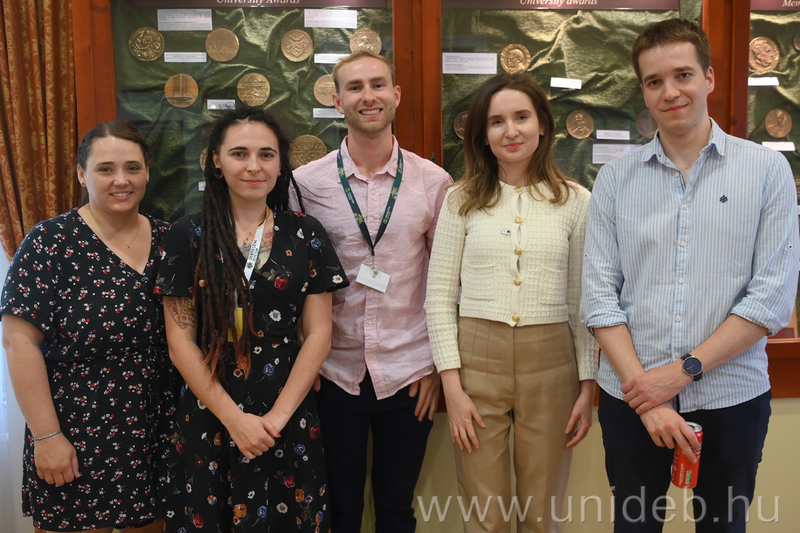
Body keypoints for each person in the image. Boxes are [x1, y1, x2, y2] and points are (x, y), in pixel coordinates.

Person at [581, 18, 799, 532]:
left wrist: (682, 373)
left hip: (731, 396)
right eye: (654, 81)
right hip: (632, 400)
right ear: (643, 91)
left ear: (709, 78)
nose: (670, 92)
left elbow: (769, 299)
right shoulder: (614, 180)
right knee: (634, 525)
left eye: (683, 75)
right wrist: (646, 395)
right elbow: (599, 299)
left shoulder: (766, 172)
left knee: (723, 526)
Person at [156, 106, 348, 533]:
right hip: (210, 409)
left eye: (266, 154)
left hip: (287, 409)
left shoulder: (306, 233)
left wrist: (275, 420)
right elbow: (179, 342)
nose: (254, 166)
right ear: (217, 161)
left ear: (280, 165)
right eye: (239, 153)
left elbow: (319, 333)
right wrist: (234, 419)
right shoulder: (186, 235)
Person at [425, 72, 598, 533]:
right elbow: (439, 297)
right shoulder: (459, 200)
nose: (511, 131)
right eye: (496, 121)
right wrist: (452, 388)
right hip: (476, 364)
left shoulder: (576, 201)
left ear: (543, 124)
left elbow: (583, 301)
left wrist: (587, 384)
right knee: (485, 513)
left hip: (552, 366)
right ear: (483, 135)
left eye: (521, 117)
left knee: (542, 511)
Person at [290, 50, 453, 532]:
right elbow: (295, 280)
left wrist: (437, 365)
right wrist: (303, 357)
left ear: (396, 94)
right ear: (337, 100)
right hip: (333, 372)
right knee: (337, 510)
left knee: (396, 508)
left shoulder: (433, 182)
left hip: (409, 371)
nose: (369, 96)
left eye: (378, 85)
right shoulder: (305, 184)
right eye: (355, 87)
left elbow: (446, 281)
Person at [1, 121, 175, 533]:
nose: (121, 180)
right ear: (82, 174)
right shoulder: (49, 242)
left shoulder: (171, 240)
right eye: (105, 169)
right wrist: (47, 437)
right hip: (75, 430)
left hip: (158, 428)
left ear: (147, 173)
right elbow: (18, 341)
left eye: (132, 168)